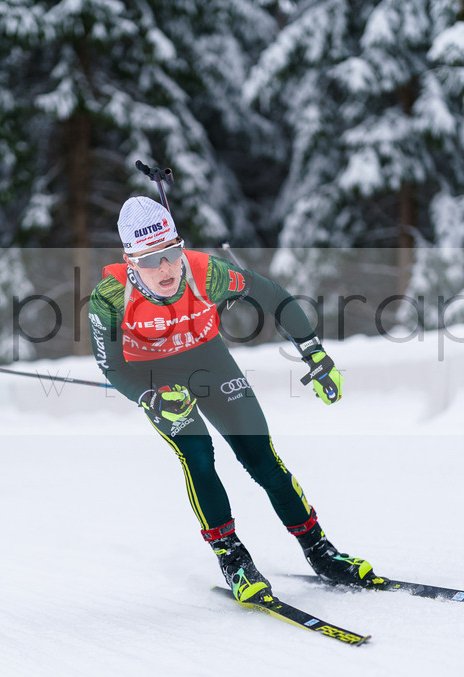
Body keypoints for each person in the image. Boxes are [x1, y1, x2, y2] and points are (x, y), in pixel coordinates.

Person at [88, 196, 384, 604]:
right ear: (130, 260)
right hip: (158, 380)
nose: (166, 268)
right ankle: (234, 561)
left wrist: (314, 352)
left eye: (172, 253)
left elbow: (273, 295)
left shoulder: (204, 272)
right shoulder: (108, 296)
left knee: (261, 457)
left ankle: (321, 551)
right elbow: (111, 365)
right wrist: (149, 397)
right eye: (151, 260)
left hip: (210, 364)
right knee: (198, 455)